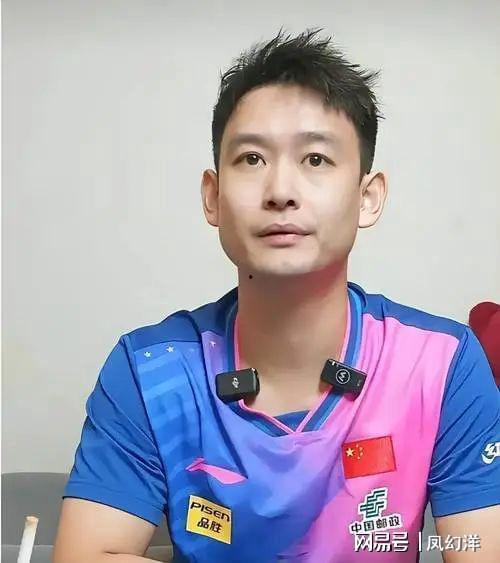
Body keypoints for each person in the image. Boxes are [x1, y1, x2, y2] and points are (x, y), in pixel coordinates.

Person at [53, 29, 500, 562]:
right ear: (213, 197)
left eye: (316, 159)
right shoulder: (150, 371)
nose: (281, 191)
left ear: (367, 197)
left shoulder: (441, 365)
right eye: (251, 159)